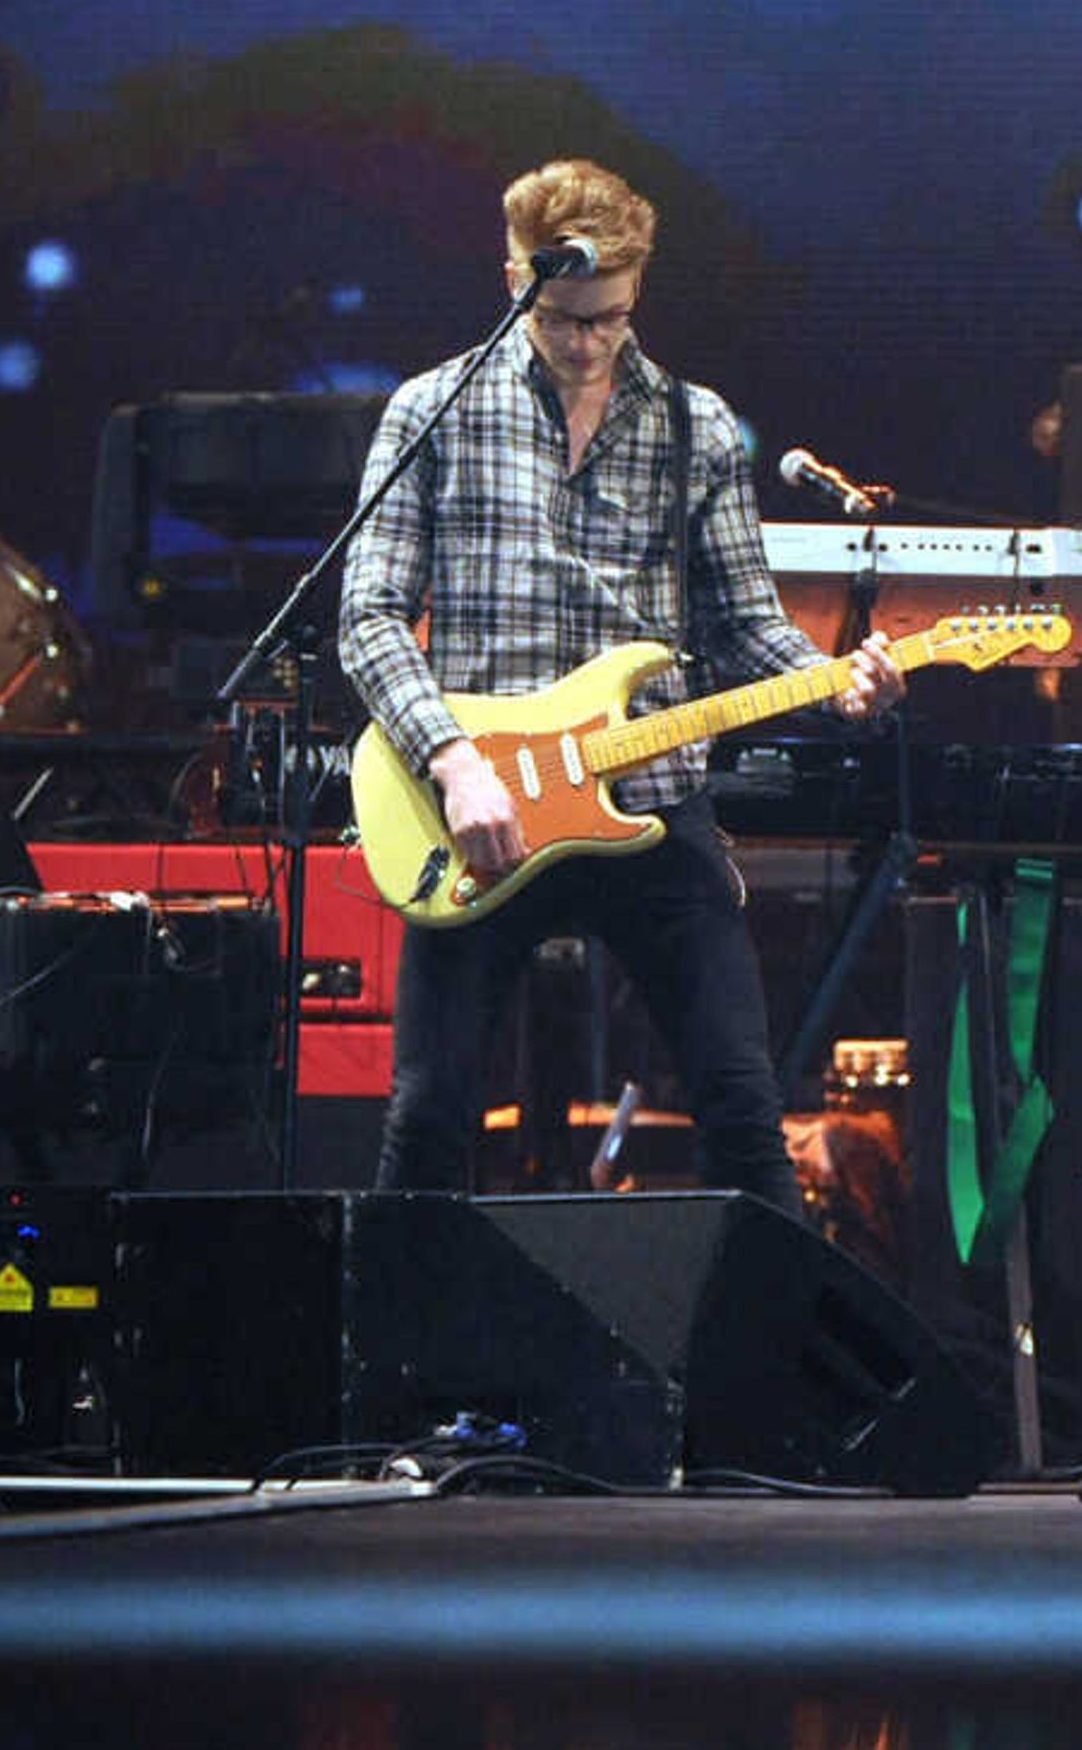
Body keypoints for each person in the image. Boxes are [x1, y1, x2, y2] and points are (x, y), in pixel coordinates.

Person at [337, 159, 903, 1210]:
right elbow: (365, 614)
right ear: (513, 276)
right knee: (430, 1110)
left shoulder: (697, 426)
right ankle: (401, 1361)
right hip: (482, 812)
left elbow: (741, 624)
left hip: (645, 800)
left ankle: (761, 1362)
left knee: (742, 1100)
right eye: (563, 319)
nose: (588, 343)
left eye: (610, 319)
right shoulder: (432, 411)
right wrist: (453, 764)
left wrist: (833, 682)